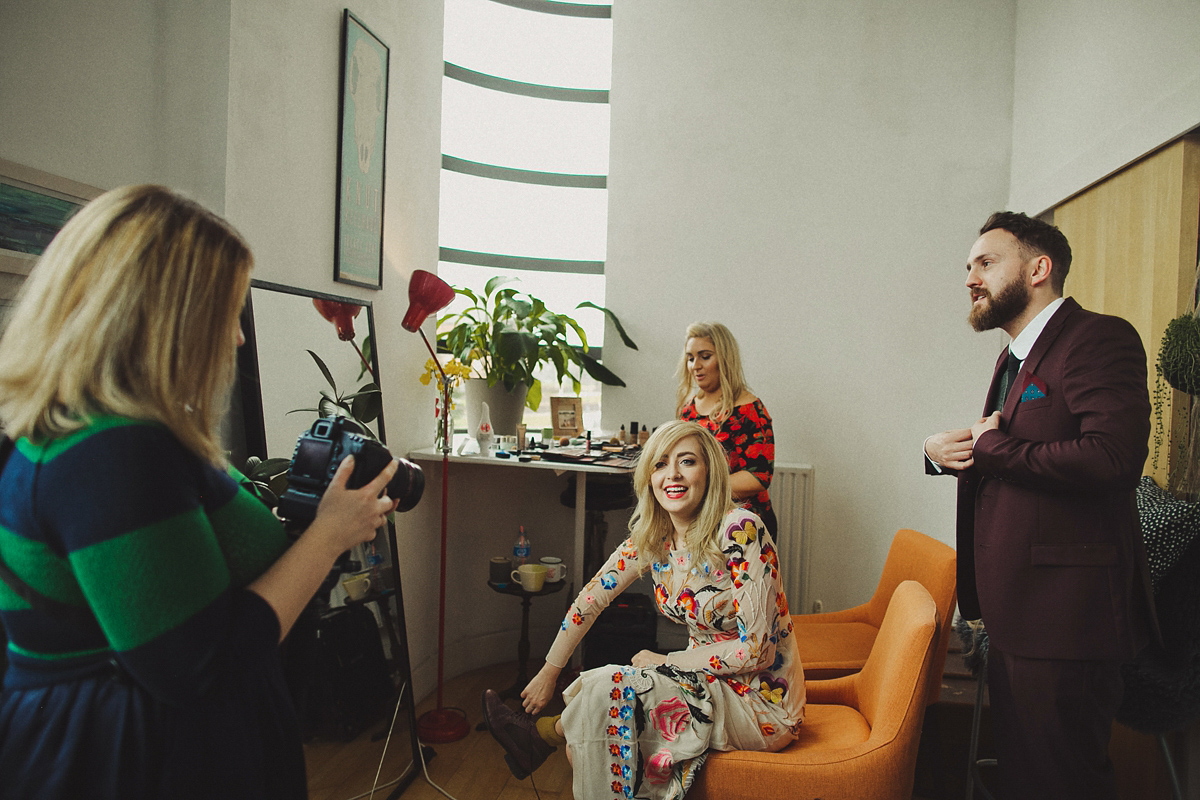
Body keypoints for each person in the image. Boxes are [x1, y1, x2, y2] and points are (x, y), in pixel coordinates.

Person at [0, 185, 399, 799]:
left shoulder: (111, 431)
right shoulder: (110, 450)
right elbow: (194, 663)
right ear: (164, 316)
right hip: (133, 762)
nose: (238, 338)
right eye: (226, 311)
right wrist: (328, 537)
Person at [925, 211, 1156, 800]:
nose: (971, 278)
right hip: (1017, 614)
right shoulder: (1013, 358)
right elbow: (1010, 450)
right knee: (1026, 778)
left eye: (985, 262)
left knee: (1062, 782)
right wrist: (942, 454)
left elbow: (1112, 459)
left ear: (1038, 269)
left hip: (1067, 622)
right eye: (968, 267)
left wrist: (993, 446)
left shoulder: (1098, 338)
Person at [482, 420, 803, 800]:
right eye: (660, 464)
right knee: (592, 726)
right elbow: (591, 598)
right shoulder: (654, 536)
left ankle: (538, 737)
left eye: (687, 462)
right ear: (649, 477)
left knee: (604, 693)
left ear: (710, 472)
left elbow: (756, 650)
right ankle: (540, 740)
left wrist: (667, 661)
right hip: (703, 682)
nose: (673, 475)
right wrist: (549, 672)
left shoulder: (739, 529)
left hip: (760, 703)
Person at [676, 322, 777, 537]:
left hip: (744, 525)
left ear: (724, 359)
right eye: (690, 358)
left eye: (705, 356)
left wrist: (702, 486)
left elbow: (759, 476)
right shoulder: (688, 410)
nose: (695, 365)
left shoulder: (749, 410)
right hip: (700, 521)